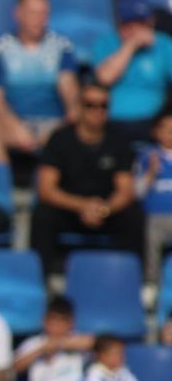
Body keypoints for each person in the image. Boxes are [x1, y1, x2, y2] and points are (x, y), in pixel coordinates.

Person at [32, 82, 143, 274]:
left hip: (105, 210)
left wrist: (104, 209)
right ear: (79, 107)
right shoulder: (60, 139)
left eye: (103, 105)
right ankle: (41, 278)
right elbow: (46, 189)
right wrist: (82, 206)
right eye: (90, 105)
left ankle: (133, 278)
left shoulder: (119, 141)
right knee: (43, 215)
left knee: (134, 215)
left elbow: (125, 190)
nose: (97, 111)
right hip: (69, 208)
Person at [0, 0, 81, 165]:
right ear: (18, 14)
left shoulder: (61, 47)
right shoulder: (0, 50)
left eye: (44, 14)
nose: (39, 20)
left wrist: (62, 126)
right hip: (14, 121)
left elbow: (69, 90)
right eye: (33, 13)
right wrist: (15, 127)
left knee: (78, 129)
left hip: (53, 123)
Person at [90, 0, 172, 140]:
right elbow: (104, 78)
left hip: (154, 122)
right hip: (113, 122)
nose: (137, 29)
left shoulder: (163, 44)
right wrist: (131, 45)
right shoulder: (107, 42)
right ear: (120, 25)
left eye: (142, 24)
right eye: (130, 25)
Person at [136, 110, 172, 269]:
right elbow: (137, 192)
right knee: (151, 242)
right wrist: (151, 173)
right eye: (167, 129)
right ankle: (151, 282)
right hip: (155, 216)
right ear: (156, 131)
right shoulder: (146, 156)